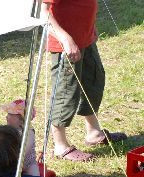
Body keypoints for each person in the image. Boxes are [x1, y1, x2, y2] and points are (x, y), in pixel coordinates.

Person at [42, 0, 126, 162]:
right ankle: (61, 146)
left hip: (85, 38)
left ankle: (93, 132)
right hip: (66, 45)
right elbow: (42, 12)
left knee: (94, 82)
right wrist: (65, 39)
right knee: (66, 92)